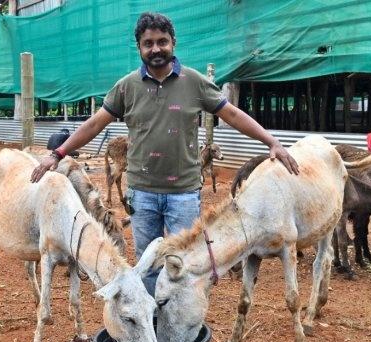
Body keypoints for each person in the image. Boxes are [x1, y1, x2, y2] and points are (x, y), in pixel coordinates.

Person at [31, 12, 299, 295]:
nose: (156, 49)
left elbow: (231, 113)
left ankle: (182, 327)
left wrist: (272, 142)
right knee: (147, 263)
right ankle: (153, 324)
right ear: (139, 47)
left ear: (173, 43)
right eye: (148, 43)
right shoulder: (127, 87)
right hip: (142, 193)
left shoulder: (194, 82)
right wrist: (58, 153)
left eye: (162, 42)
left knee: (186, 263)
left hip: (183, 193)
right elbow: (95, 124)